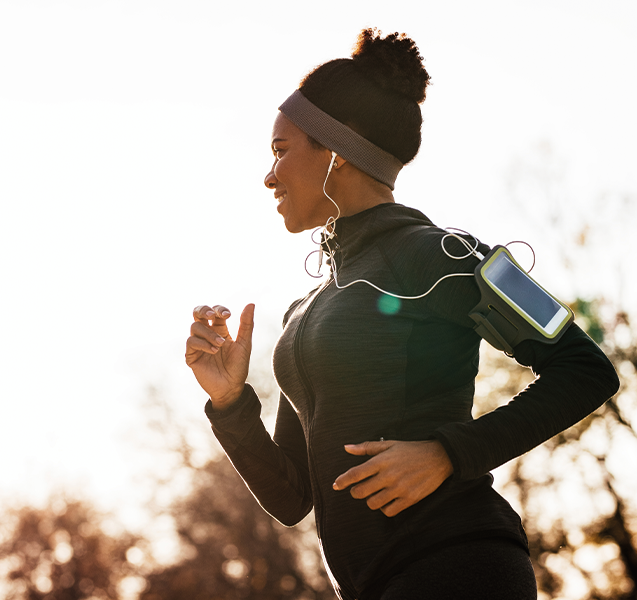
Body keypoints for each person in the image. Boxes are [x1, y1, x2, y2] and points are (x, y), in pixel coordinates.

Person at [184, 28, 620, 600]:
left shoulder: (445, 254)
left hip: (459, 565)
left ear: (336, 153)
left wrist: (448, 452)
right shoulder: (304, 312)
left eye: (281, 150)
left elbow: (586, 370)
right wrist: (231, 403)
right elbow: (292, 499)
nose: (269, 175)